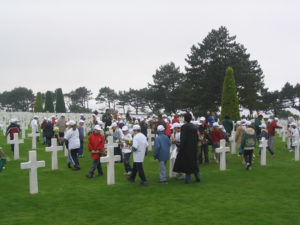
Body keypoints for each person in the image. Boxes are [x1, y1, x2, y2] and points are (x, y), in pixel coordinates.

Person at [173, 113, 200, 184]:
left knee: (187, 164)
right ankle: (198, 177)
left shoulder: (184, 127)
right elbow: (196, 138)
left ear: (185, 119)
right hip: (193, 147)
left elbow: (183, 139)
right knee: (193, 163)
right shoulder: (194, 127)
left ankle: (188, 180)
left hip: (186, 148)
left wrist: (180, 147)